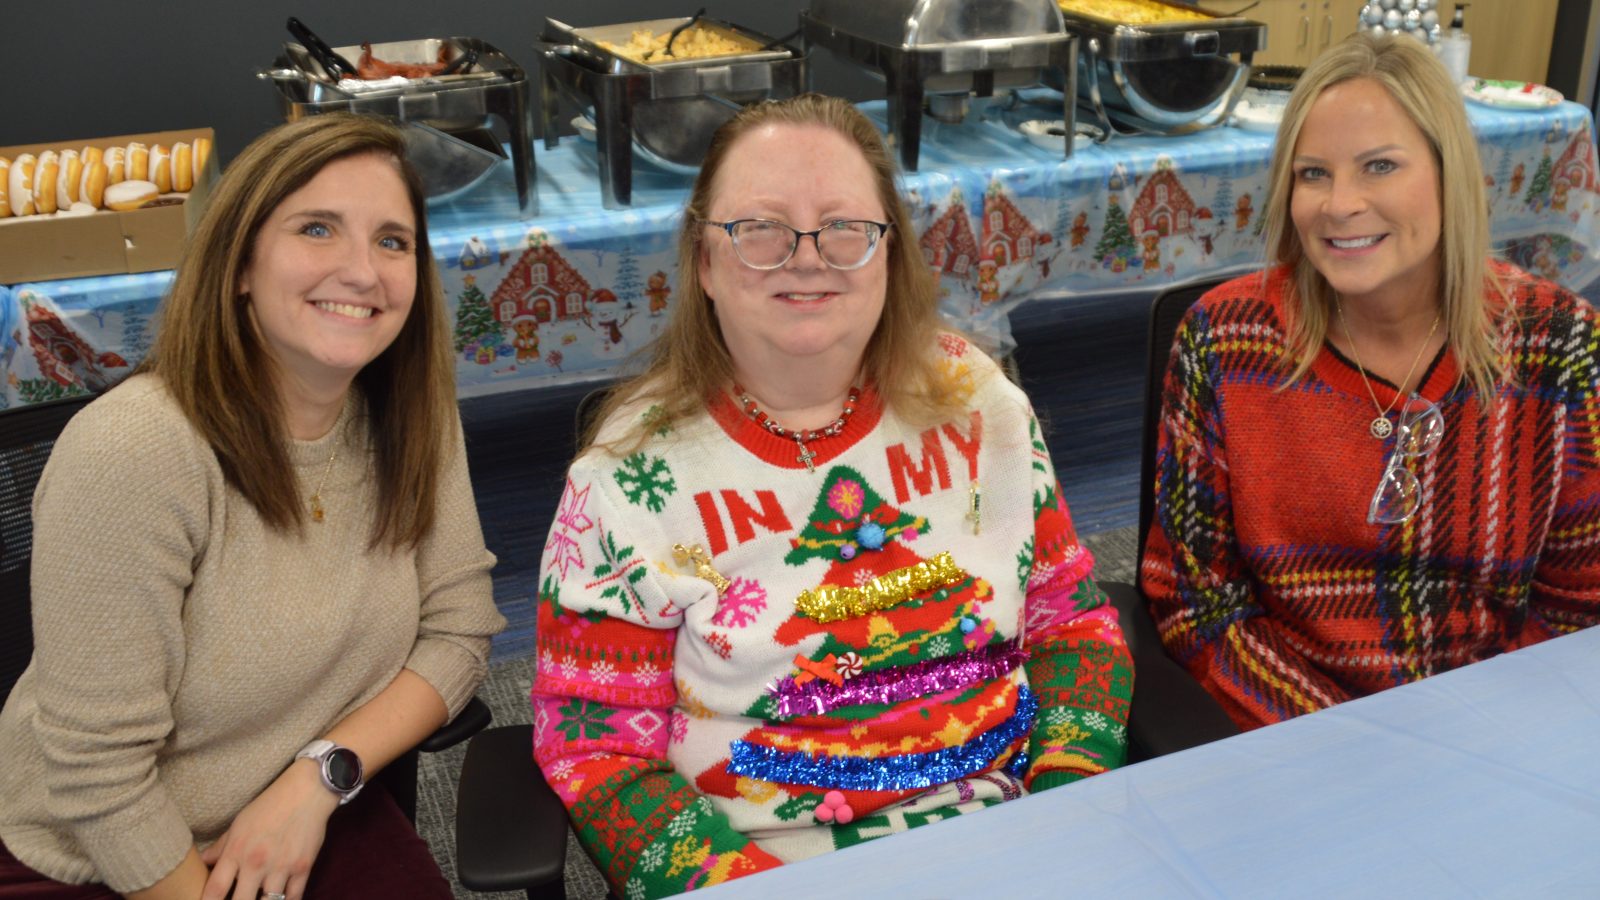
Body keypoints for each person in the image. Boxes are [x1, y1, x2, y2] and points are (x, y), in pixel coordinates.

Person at [531, 93, 1132, 898]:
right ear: (704, 262)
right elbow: (595, 748)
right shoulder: (627, 480)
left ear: (890, 254)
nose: (806, 255)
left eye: (844, 226)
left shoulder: (981, 402)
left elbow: (1073, 624)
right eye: (761, 228)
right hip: (767, 866)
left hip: (1013, 834)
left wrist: (1066, 802)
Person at [0, 114, 505, 900]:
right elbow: (98, 779)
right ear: (240, 264)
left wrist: (320, 776)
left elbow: (460, 629)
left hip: (301, 804)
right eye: (317, 229)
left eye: (392, 241)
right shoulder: (135, 451)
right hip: (104, 854)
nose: (363, 271)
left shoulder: (410, 412)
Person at [1141, 32, 1600, 731]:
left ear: (1450, 176)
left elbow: (1580, 604)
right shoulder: (1225, 340)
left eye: (1379, 166)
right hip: (1291, 729)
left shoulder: (1557, 344)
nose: (1339, 205)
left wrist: (1467, 735)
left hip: (1497, 733)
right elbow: (1194, 600)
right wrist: (1344, 742)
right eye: (1313, 173)